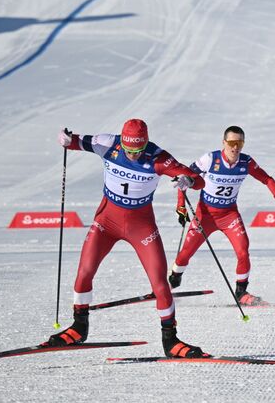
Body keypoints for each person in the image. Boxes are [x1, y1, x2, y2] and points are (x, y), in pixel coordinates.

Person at [44, 119, 207, 358]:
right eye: (129, 150)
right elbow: (76, 142)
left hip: (140, 226)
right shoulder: (108, 143)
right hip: (106, 223)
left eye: (138, 151)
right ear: (122, 142)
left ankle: (170, 340)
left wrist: (189, 181)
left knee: (159, 283)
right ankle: (79, 327)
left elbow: (199, 181)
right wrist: (66, 139)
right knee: (84, 271)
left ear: (145, 144)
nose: (133, 155)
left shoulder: (159, 158)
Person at [169, 126, 275, 303]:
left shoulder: (246, 162)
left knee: (243, 251)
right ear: (224, 142)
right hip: (205, 215)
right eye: (232, 143)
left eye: (240, 143)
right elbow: (183, 178)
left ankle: (241, 293)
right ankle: (171, 283)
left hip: (229, 215)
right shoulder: (210, 159)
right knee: (186, 253)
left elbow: (267, 179)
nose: (235, 147)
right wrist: (181, 206)